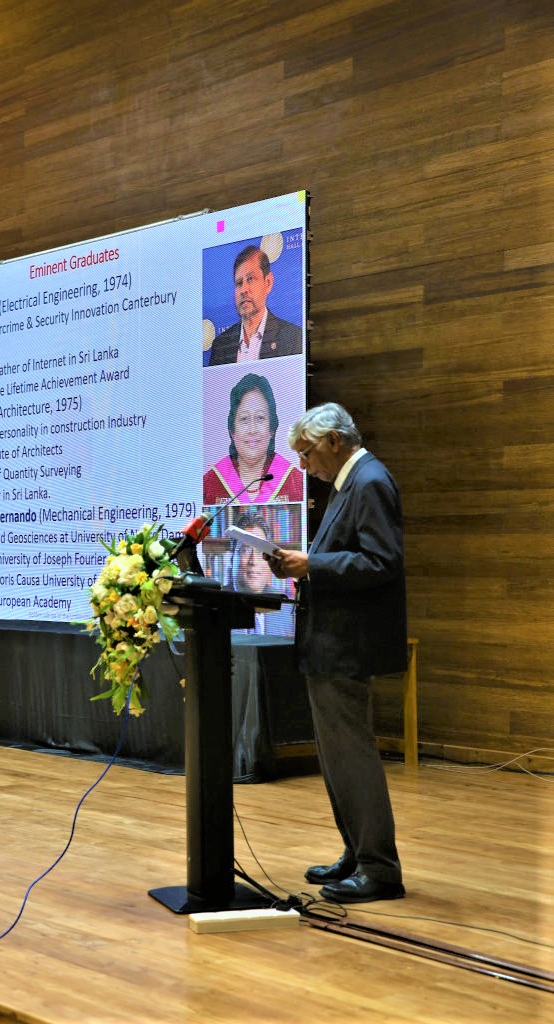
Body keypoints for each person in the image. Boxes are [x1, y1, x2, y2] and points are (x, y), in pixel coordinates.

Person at [264, 402, 407, 904]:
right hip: (330, 643)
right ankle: (355, 851)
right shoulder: (350, 482)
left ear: (333, 441)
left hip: (347, 644)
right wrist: (301, 567)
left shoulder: (368, 480)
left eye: (306, 452)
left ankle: (380, 869)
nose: (304, 465)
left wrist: (314, 564)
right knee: (336, 758)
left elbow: (381, 561)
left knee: (353, 757)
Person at [203, 373, 303, 505]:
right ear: (232, 431)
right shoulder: (209, 483)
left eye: (260, 418)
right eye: (244, 419)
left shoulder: (295, 481)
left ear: (271, 429)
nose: (252, 430)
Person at [209, 245, 302, 365]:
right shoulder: (221, 345)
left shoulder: (293, 338)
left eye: (250, 279)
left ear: (268, 283)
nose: (243, 289)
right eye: (239, 283)